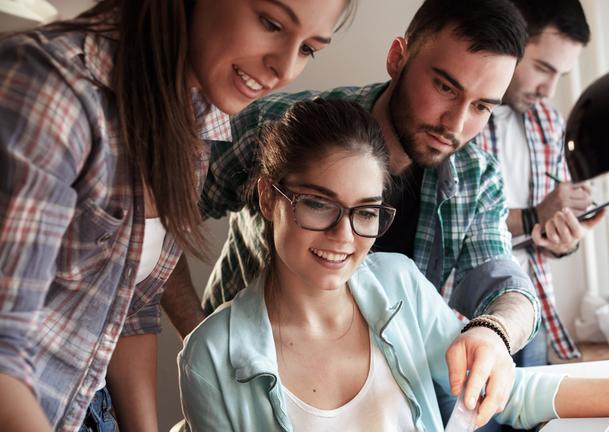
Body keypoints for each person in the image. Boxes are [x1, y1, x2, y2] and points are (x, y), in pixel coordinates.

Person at [179, 97, 609, 432]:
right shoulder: (210, 359)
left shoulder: (396, 285)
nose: (343, 236)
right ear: (266, 198)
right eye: (317, 204)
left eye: (365, 212)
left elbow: (507, 391)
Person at [165, 0, 535, 427]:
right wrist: (203, 338)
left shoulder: (476, 175)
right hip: (255, 392)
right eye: (446, 89)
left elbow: (505, 285)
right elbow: (155, 217)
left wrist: (495, 332)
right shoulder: (280, 129)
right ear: (398, 58)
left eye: (482, 107)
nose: (455, 123)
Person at [0, 0, 355, 430]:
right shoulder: (51, 94)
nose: (284, 69)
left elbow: (132, 305)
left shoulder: (196, 120)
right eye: (271, 23)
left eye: (308, 49)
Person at [477, 0, 604, 367]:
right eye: (543, 68)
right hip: (462, 318)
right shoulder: (457, 120)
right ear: (510, 42)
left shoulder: (549, 121)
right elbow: (451, 228)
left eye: (560, 76)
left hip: (533, 310)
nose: (549, 90)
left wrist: (565, 236)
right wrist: (534, 215)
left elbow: (544, 240)